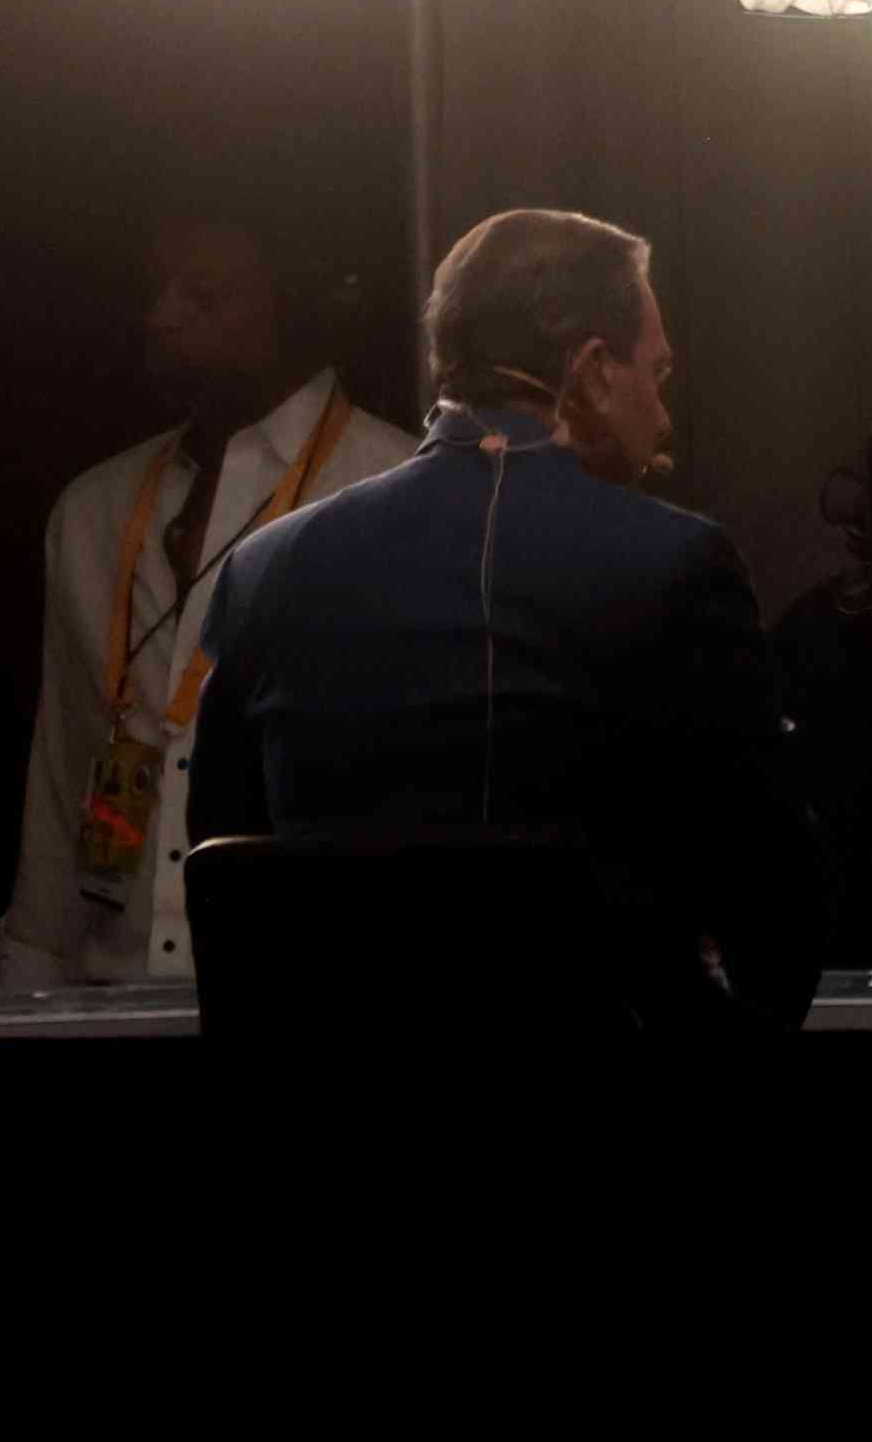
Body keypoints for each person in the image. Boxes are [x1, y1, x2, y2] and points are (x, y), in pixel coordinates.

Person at [184, 207, 813, 1023]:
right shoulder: (677, 566)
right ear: (590, 372)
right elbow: (775, 911)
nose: (662, 420)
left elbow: (232, 900)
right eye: (655, 377)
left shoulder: (262, 570)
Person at [0, 207, 414, 990]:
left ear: (294, 305)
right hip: (101, 1002)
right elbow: (62, 765)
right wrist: (29, 983)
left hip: (306, 1011)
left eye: (205, 294)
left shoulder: (393, 496)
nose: (161, 316)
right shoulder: (95, 511)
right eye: (156, 288)